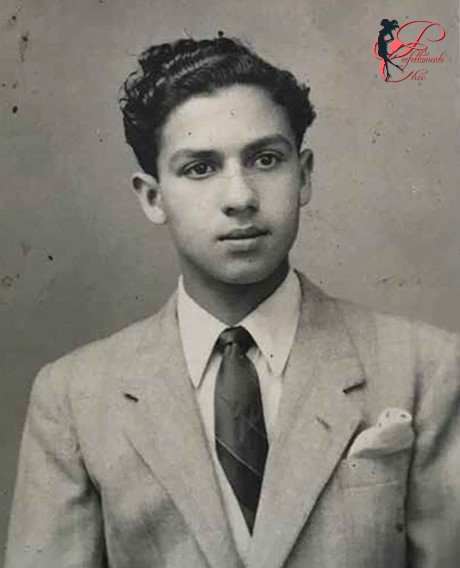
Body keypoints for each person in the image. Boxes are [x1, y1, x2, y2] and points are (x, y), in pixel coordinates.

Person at [5, 35, 460, 568]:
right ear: (152, 197)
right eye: (200, 168)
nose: (240, 197)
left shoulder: (424, 367)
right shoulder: (74, 398)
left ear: (303, 175)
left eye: (266, 159)